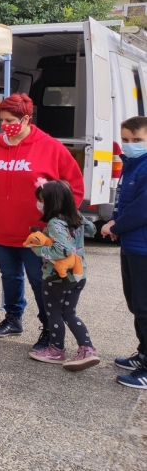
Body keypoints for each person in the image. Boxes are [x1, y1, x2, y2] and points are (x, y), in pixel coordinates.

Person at [0, 93, 84, 353]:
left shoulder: (50, 147)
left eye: (10, 120)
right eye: (1, 120)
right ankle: (13, 318)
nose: (5, 125)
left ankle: (49, 327)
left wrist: (60, 223)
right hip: (1, 227)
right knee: (9, 276)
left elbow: (74, 188)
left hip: (38, 233)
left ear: (26, 118)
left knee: (39, 280)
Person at [25, 180, 99, 370]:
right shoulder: (76, 216)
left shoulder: (55, 223)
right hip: (79, 275)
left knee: (54, 314)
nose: (39, 204)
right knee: (69, 313)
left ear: (52, 201)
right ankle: (87, 350)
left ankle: (56, 350)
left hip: (57, 278)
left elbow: (62, 251)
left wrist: (38, 250)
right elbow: (92, 229)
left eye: (42, 200)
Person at [101, 116, 147, 388]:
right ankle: (143, 353)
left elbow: (142, 209)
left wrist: (116, 224)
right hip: (132, 244)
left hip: (142, 247)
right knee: (135, 303)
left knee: (144, 306)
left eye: (137, 140)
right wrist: (113, 221)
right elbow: (123, 201)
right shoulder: (132, 165)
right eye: (126, 140)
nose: (130, 145)